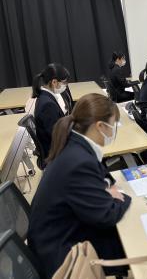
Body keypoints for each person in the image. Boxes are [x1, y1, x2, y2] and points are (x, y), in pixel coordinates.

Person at [28, 93, 131, 278]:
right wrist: (124, 197)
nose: (115, 129)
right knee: (131, 240)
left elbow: (102, 175)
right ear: (100, 126)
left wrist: (108, 189)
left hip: (56, 235)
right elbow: (107, 215)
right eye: (114, 123)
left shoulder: (74, 142)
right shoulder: (79, 161)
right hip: (62, 254)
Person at [32, 63, 70, 160]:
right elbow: (56, 136)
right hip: (55, 153)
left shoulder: (45, 97)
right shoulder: (47, 105)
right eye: (64, 82)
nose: (66, 85)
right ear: (54, 82)